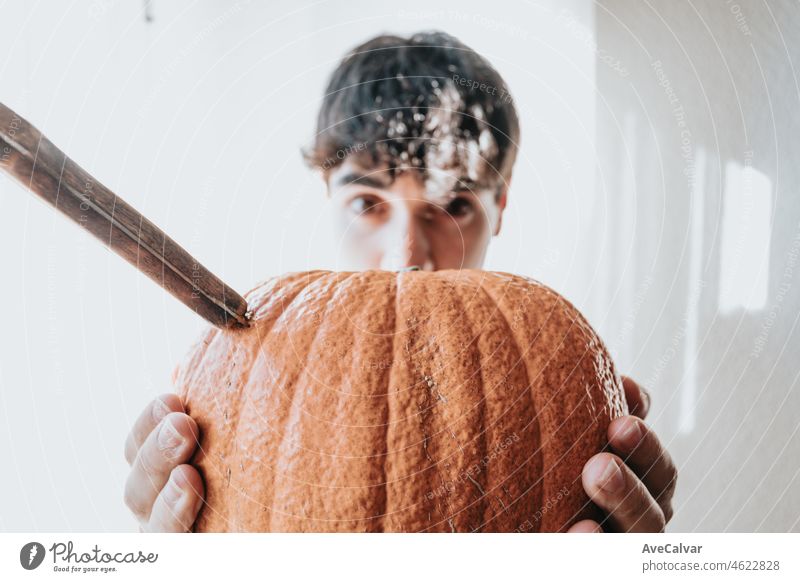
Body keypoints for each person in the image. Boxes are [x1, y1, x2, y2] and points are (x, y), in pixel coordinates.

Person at [123, 31, 677, 533]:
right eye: (367, 202)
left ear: (501, 205)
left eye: (453, 204)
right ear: (326, 194)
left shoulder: (555, 370)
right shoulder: (252, 362)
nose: (406, 252)